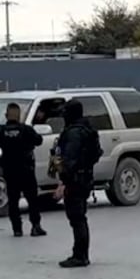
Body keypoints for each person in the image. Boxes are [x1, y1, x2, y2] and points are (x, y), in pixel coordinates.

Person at [52, 99, 101, 268]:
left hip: (75, 181)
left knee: (77, 218)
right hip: (85, 178)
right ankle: (80, 254)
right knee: (79, 217)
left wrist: (64, 181)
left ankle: (80, 256)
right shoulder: (88, 129)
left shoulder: (74, 133)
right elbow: (97, 153)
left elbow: (69, 160)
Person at [0, 102, 47, 238]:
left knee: (13, 200)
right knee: (32, 199)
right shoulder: (26, 130)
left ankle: (17, 229)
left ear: (6, 115)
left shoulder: (0, 131)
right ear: (19, 115)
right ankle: (35, 226)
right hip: (26, 170)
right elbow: (39, 140)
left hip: (10, 171)